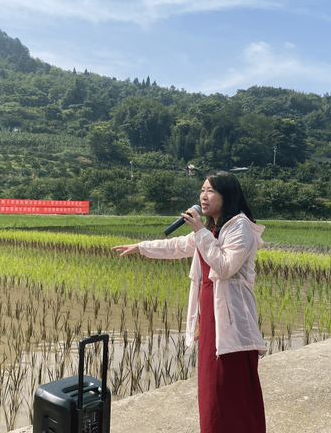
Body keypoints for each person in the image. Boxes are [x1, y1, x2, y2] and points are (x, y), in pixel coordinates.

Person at [112, 171, 267, 433]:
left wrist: (199, 231)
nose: (203, 196)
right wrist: (141, 246)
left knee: (230, 384)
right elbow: (177, 246)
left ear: (226, 195)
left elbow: (225, 266)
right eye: (202, 190)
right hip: (210, 313)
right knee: (211, 385)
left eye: (210, 191)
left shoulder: (239, 226)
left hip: (230, 319)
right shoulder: (212, 228)